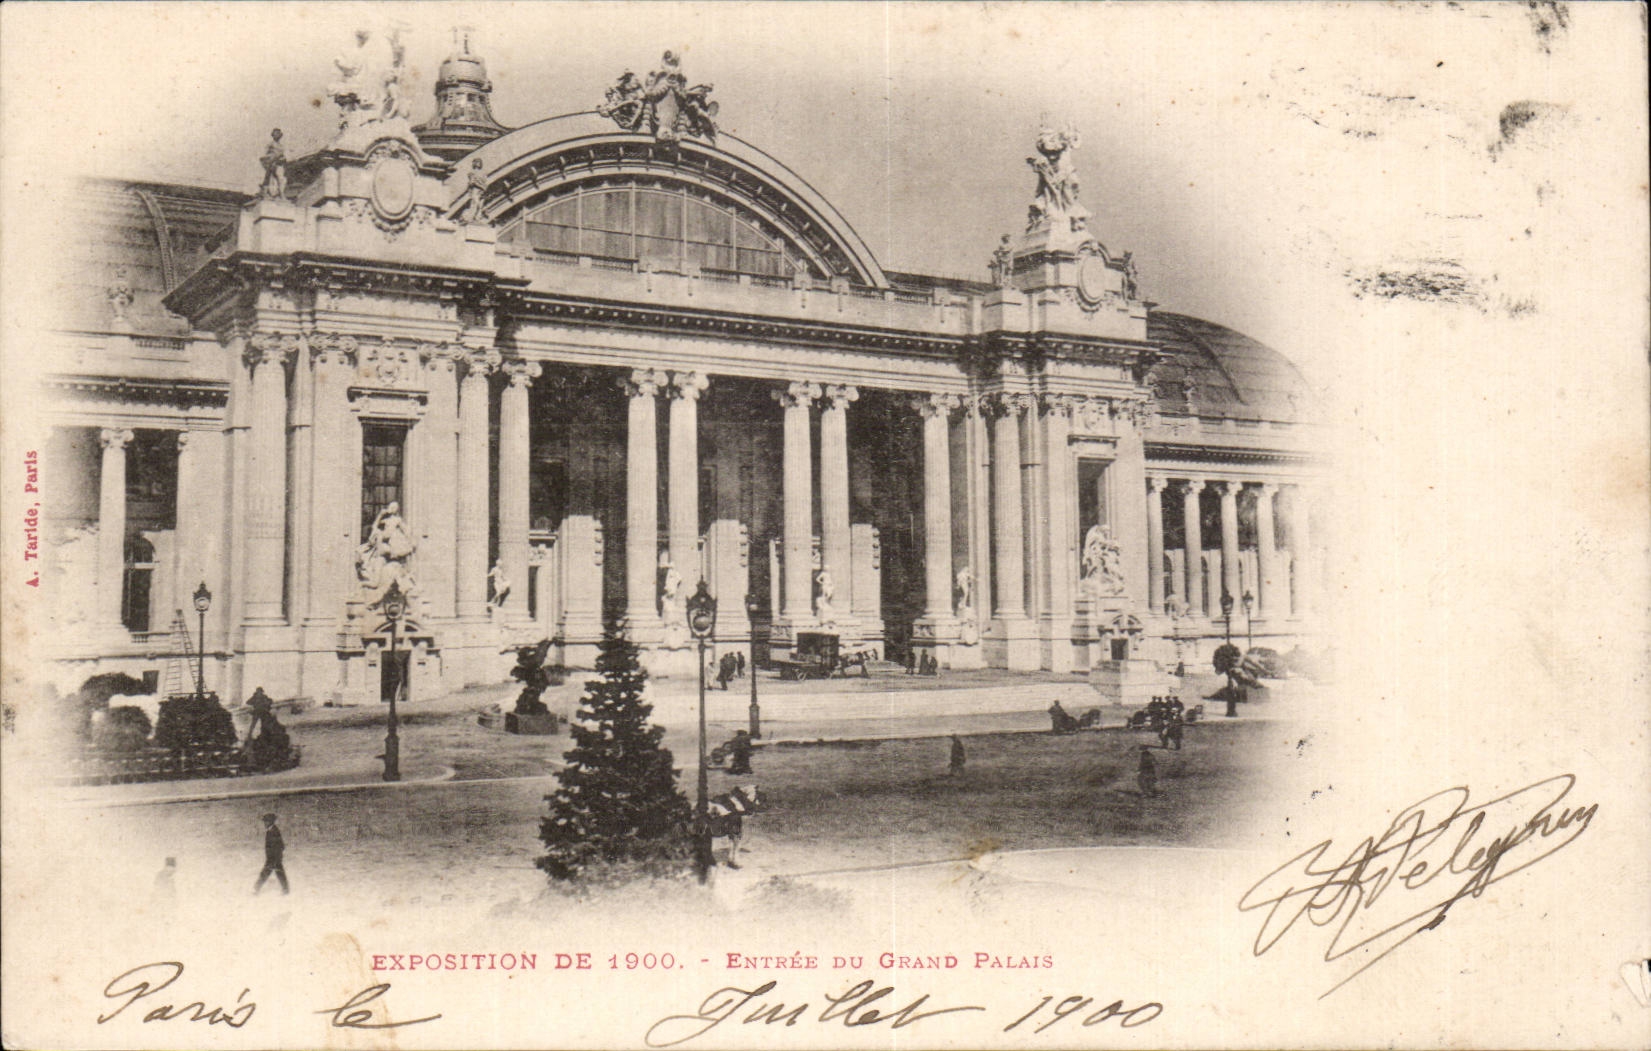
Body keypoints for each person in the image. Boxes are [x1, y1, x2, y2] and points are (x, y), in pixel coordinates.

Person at [254, 813, 289, 895]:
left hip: (273, 857)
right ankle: (285, 889)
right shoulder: (271, 830)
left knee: (267, 872)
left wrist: (275, 857)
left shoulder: (273, 831)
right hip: (273, 857)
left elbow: (280, 845)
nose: (264, 823)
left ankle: (256, 888)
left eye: (266, 822)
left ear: (270, 822)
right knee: (278, 872)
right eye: (264, 822)